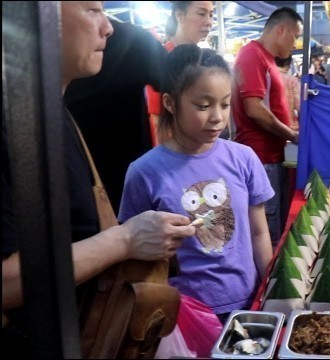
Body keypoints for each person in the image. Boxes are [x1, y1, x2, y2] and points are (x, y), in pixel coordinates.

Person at [2, 1, 196, 352]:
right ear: (35, 16)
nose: (108, 28)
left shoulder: (54, 113)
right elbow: (5, 281)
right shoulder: (10, 123)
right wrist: (124, 241)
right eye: (92, 10)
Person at [119, 44, 274, 322]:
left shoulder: (243, 158)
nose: (217, 117)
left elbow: (259, 232)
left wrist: (269, 291)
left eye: (225, 104)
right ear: (170, 103)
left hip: (247, 302)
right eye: (203, 105)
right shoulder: (144, 172)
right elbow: (135, 252)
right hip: (183, 313)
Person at [64, 18, 168, 212]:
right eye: (92, 9)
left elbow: (181, 90)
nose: (107, 28)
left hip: (122, 192)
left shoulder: (134, 43)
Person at [231, 7, 302, 249]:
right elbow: (254, 108)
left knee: (277, 227)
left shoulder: (268, 59)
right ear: (281, 30)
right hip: (260, 158)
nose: (295, 43)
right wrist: (292, 135)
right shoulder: (252, 55)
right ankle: (266, 285)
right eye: (295, 36)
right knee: (268, 234)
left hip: (273, 157)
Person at [146, 1, 214, 145]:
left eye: (211, 15)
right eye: (201, 13)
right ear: (179, 15)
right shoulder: (162, 60)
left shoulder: (203, 61)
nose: (209, 22)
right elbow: (159, 123)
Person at [276, 55, 301, 131]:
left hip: (271, 128)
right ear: (288, 63)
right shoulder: (292, 80)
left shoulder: (266, 77)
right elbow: (300, 106)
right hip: (290, 127)